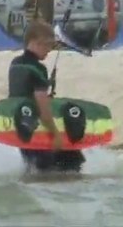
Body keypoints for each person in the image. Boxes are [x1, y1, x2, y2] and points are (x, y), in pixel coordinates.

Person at [8, 20, 85, 173]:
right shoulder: (38, 69)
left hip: (22, 129)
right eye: (48, 45)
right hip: (39, 130)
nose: (49, 50)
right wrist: (55, 134)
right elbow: (42, 107)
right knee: (73, 162)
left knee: (34, 170)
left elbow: (22, 95)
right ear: (36, 42)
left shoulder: (15, 64)